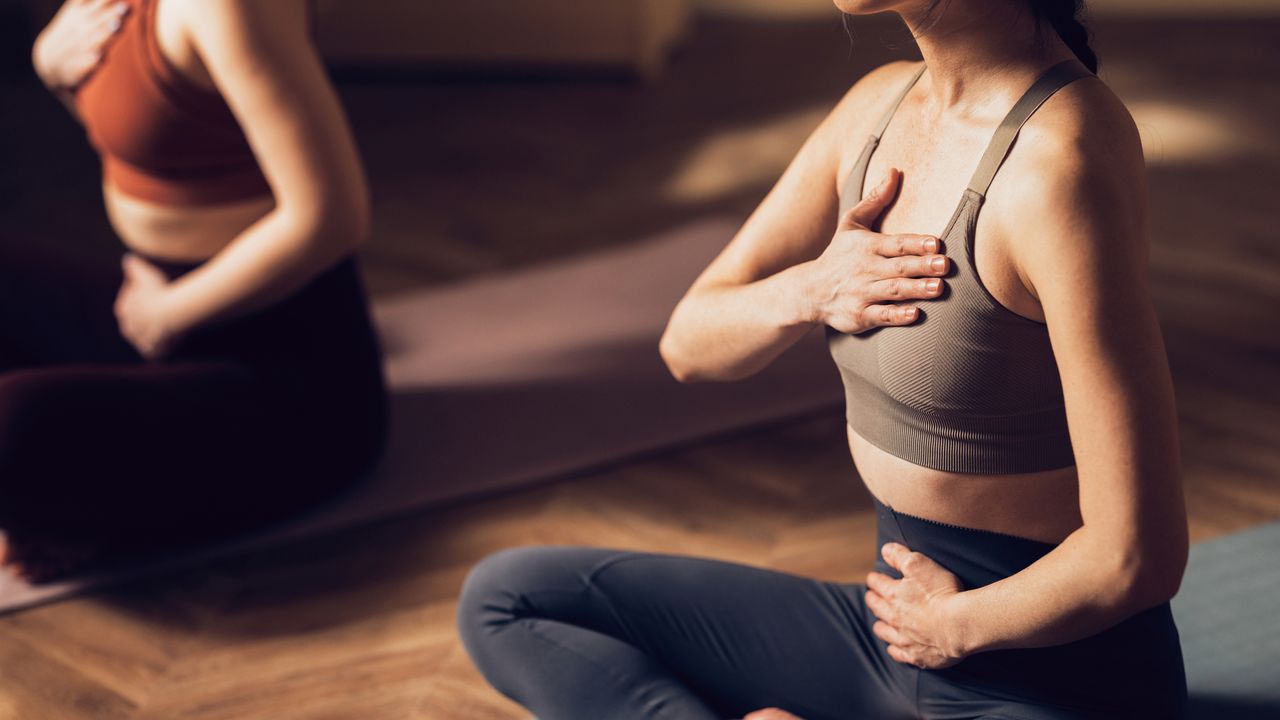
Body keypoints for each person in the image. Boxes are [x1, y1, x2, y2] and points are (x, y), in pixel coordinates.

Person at [456, 1, 1190, 718]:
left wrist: (952, 627)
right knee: (509, 599)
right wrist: (813, 287)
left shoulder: (1059, 161)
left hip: (1049, 678)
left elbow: (1135, 556)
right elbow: (690, 344)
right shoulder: (877, 108)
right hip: (889, 633)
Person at [0, 0, 387, 581]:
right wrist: (55, 72)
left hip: (287, 373)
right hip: (156, 306)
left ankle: (78, 505)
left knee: (11, 427)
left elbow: (333, 219)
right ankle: (68, 501)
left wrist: (167, 316)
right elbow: (156, 137)